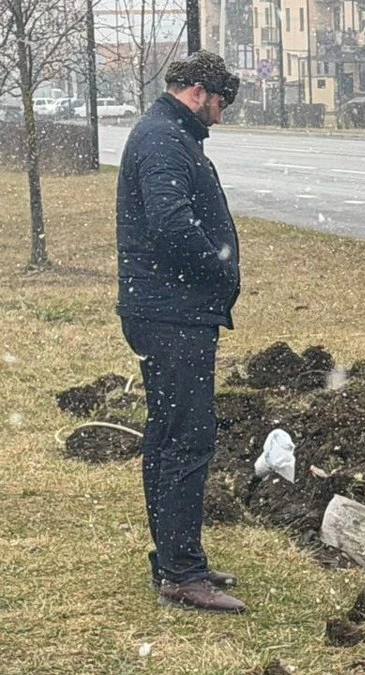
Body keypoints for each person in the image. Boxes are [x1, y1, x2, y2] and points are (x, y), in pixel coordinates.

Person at [116, 51, 245, 613]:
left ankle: (175, 558)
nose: (221, 114)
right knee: (186, 438)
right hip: (172, 316)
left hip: (168, 312)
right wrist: (219, 270)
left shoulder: (166, 134)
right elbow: (172, 225)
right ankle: (182, 575)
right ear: (198, 92)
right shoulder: (164, 139)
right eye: (220, 103)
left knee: (169, 434)